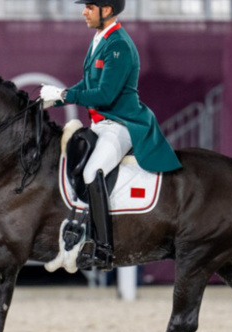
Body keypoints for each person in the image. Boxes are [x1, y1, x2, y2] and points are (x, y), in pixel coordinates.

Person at [40, 0, 181, 270]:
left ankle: (103, 249)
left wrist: (64, 95)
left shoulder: (119, 45)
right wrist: (54, 100)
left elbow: (105, 94)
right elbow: (88, 84)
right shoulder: (99, 39)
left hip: (123, 124)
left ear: (107, 10)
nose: (84, 11)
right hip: (100, 124)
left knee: (92, 172)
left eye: (90, 7)